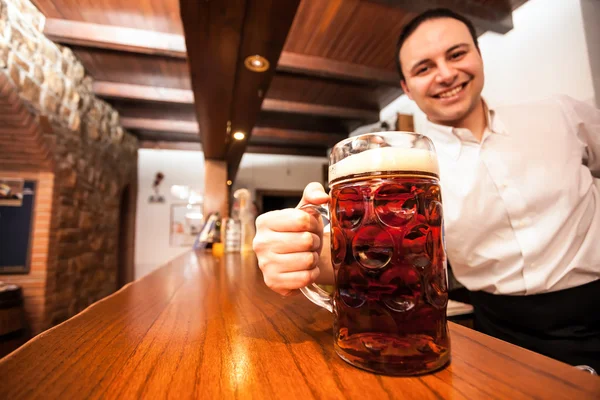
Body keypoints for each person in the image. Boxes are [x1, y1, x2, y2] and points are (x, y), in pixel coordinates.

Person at [253, 8, 600, 370]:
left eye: (456, 54)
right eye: (424, 68)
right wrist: (296, 251)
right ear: (405, 87)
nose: (446, 74)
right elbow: (372, 254)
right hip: (496, 332)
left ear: (479, 54)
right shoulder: (401, 164)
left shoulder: (560, 115)